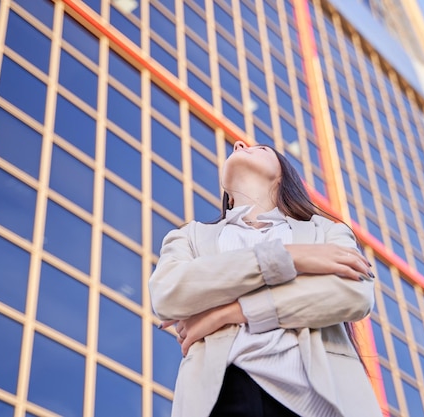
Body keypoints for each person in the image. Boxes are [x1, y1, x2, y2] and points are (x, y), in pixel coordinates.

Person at [149, 141, 382, 417]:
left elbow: (354, 293)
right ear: (228, 197)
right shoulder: (190, 236)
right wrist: (288, 257)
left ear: (283, 176)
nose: (238, 144)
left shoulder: (325, 231)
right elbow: (168, 291)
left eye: (261, 148)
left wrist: (231, 312)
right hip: (222, 395)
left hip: (318, 401)